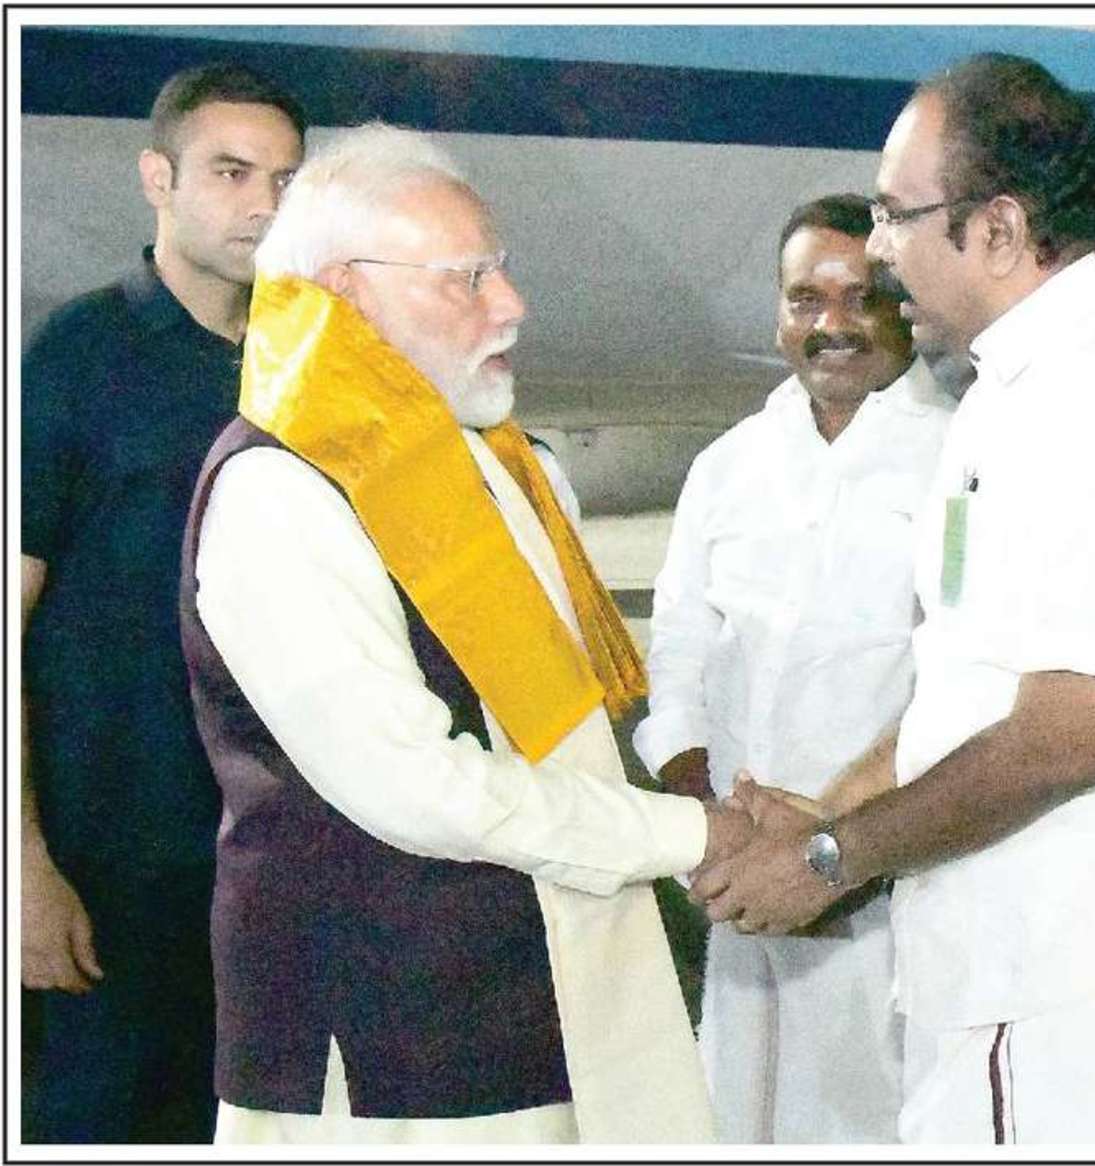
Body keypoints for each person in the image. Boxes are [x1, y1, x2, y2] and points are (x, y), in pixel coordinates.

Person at [692, 53, 1095, 1144]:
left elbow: (1063, 738)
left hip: (1087, 996)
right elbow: (963, 689)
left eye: (897, 213)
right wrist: (828, 808)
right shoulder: (1010, 398)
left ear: (1001, 229)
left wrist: (830, 861)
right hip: (1018, 975)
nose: (878, 248)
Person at [176, 122, 755, 1144]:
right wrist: (692, 833)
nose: (512, 304)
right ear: (349, 294)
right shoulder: (279, 491)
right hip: (389, 1050)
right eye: (468, 278)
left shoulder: (488, 460)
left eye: (501, 269)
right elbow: (414, 785)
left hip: (542, 1002)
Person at [19, 63, 306, 1144]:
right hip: (107, 877)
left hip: (268, 868)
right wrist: (22, 865)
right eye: (231, 172)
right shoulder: (76, 357)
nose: (264, 205)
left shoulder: (310, 361)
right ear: (158, 178)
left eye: (284, 179)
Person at [635, 194, 954, 1142]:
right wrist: (703, 810)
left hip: (887, 887)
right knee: (738, 1111)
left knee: (877, 1117)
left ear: (904, 306)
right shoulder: (729, 466)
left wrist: (841, 846)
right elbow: (681, 645)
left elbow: (966, 684)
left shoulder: (961, 461)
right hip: (739, 878)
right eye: (805, 299)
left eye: (862, 296)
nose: (831, 324)